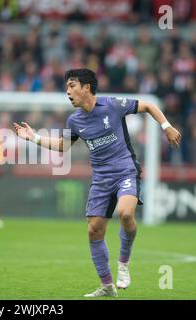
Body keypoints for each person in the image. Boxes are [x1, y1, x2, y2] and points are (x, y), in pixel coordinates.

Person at [14, 68, 181, 297]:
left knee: (125, 213)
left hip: (125, 171)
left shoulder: (112, 105)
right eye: (66, 87)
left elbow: (149, 106)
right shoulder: (75, 121)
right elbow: (64, 146)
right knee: (94, 230)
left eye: (72, 85)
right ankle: (107, 286)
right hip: (101, 179)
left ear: (86, 87)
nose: (68, 91)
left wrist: (166, 127)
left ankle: (123, 263)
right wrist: (33, 137)